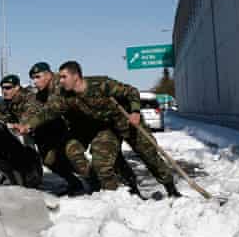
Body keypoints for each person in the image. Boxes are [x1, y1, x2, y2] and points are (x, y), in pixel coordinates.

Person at [18, 61, 180, 197]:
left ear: (76, 76)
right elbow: (49, 112)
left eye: (63, 77)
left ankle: (171, 189)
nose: (60, 81)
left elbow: (131, 92)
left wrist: (135, 112)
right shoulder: (65, 97)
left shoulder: (101, 84)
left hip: (128, 122)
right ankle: (131, 191)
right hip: (107, 129)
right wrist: (28, 125)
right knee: (104, 160)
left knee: (149, 156)